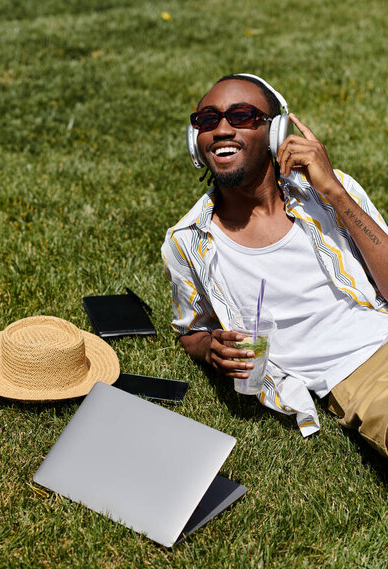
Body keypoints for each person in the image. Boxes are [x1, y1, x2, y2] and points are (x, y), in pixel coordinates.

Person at [161, 73, 388, 456]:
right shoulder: (188, 241)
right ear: (195, 140)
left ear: (275, 132)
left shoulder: (328, 192)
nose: (221, 129)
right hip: (361, 372)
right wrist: (210, 350)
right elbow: (190, 330)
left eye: (242, 116)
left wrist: (333, 189)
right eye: (206, 120)